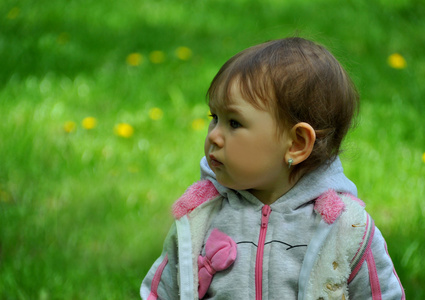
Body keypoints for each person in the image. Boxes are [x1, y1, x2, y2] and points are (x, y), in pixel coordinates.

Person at [140, 37, 405, 300]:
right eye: (214, 118)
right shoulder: (201, 217)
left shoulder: (344, 229)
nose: (214, 137)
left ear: (297, 144)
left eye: (234, 123)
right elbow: (160, 293)